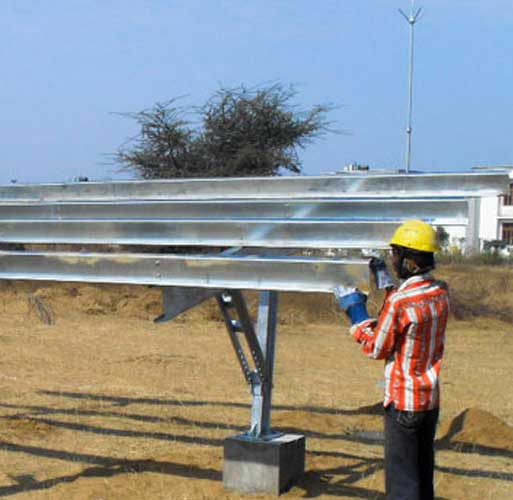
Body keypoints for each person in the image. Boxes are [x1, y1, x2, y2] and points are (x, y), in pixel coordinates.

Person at [334, 219, 449, 500]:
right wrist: (386, 283)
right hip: (428, 401)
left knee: (402, 485)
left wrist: (356, 314)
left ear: (409, 260)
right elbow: (404, 320)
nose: (393, 259)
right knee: (421, 476)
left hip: (403, 403)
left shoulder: (401, 301)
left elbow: (377, 347)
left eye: (396, 254)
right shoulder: (440, 291)